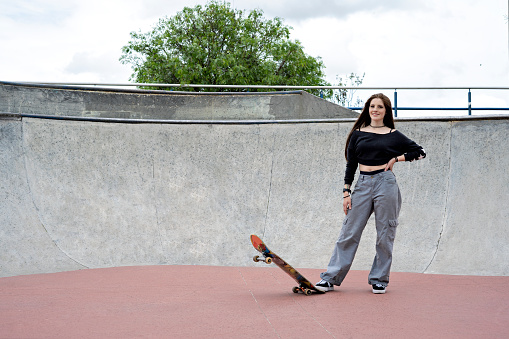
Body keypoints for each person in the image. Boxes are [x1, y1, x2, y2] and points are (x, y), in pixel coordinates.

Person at [316, 93, 426, 294]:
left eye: (380, 107)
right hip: (363, 184)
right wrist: (346, 192)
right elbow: (351, 164)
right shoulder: (358, 134)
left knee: (385, 233)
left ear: (386, 111)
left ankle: (379, 279)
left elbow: (420, 151)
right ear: (367, 109)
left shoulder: (394, 135)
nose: (375, 110)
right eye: (372, 106)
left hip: (386, 184)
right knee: (349, 232)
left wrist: (397, 159)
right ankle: (330, 278)